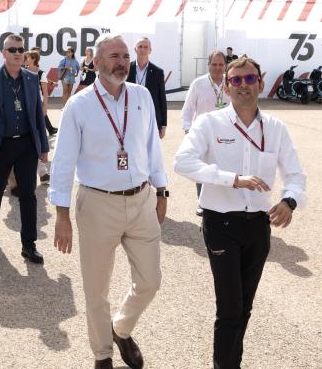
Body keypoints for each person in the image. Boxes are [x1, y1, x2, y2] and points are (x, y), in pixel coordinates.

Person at [173, 56, 306, 369]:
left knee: (244, 307)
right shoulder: (210, 123)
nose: (243, 86)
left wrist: (289, 201)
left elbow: (296, 176)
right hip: (221, 223)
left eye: (249, 79)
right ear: (227, 86)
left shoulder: (275, 128)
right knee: (230, 308)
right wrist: (231, 179)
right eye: (236, 80)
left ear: (260, 83)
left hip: (258, 228)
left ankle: (233, 363)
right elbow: (183, 162)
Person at [50, 34, 168, 369]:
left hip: (142, 200)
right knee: (96, 289)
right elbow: (63, 161)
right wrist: (61, 214)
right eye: (114, 56)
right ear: (97, 63)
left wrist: (161, 191)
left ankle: (121, 328)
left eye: (125, 56)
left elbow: (152, 149)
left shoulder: (142, 96)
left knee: (150, 281)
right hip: (97, 204)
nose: (121, 62)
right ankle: (102, 354)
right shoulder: (80, 104)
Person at [0, 34, 50, 263]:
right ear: (3, 53)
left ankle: (29, 245)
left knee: (28, 194)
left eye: (21, 49)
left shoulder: (31, 78)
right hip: (1, 145)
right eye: (12, 50)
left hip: (27, 144)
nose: (18, 53)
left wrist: (44, 147)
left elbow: (39, 114)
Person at [181, 49, 228, 216]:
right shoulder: (198, 84)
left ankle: (222, 201)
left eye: (221, 64)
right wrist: (188, 129)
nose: (217, 67)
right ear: (208, 65)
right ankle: (202, 202)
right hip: (202, 134)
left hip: (226, 135)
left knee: (224, 167)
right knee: (202, 169)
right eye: (214, 64)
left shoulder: (231, 83)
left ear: (225, 66)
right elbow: (188, 109)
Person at [127, 37, 168, 138]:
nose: (142, 49)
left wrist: (163, 125)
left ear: (150, 50)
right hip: (129, 118)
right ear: (135, 49)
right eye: (140, 46)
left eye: (145, 47)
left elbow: (162, 98)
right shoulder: (126, 69)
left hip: (151, 118)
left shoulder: (158, 72)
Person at [24, 49, 56, 136]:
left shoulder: (41, 73)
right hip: (25, 100)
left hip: (37, 101)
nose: (24, 59)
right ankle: (50, 129)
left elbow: (45, 92)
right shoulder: (22, 71)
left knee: (38, 120)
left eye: (26, 58)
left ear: (33, 59)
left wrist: (45, 107)